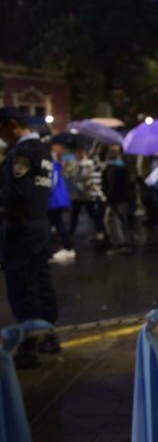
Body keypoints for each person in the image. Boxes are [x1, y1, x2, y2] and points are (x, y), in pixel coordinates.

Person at [0, 107, 61, 368]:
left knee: (23, 288)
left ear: (13, 125)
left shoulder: (22, 153)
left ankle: (28, 347)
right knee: (41, 283)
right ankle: (49, 335)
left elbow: (17, 195)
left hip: (20, 229)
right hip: (39, 225)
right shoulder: (43, 150)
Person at [65, 146, 106, 241]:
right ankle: (70, 233)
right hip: (76, 194)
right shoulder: (72, 163)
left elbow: (92, 176)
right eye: (77, 152)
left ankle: (100, 231)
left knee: (93, 214)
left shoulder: (90, 163)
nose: (79, 154)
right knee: (74, 216)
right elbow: (68, 175)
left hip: (87, 193)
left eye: (80, 152)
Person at [102, 145, 134, 256]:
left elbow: (111, 185)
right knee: (121, 220)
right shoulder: (123, 166)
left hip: (116, 199)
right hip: (124, 198)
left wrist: (109, 199)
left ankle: (120, 244)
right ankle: (125, 242)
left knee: (112, 221)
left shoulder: (112, 168)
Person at [48, 144, 75, 262]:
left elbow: (52, 183)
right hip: (56, 199)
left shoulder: (52, 164)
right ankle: (67, 247)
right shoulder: (55, 163)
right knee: (56, 223)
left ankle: (68, 248)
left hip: (54, 200)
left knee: (57, 223)